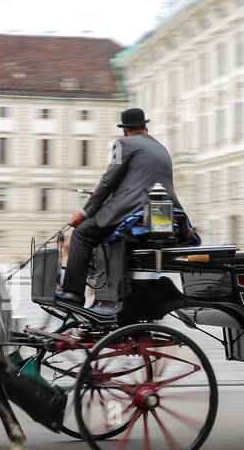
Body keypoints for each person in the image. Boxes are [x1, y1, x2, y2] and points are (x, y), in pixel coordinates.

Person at [55, 107, 181, 311]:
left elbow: (109, 180)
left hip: (135, 210)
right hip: (164, 213)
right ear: (145, 129)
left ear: (124, 131)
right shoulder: (160, 148)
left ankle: (73, 293)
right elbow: (140, 181)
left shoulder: (122, 144)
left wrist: (85, 212)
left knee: (82, 234)